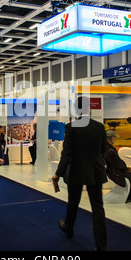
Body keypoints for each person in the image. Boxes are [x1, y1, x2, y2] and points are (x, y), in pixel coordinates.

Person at [52, 96, 108, 251]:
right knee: (98, 207)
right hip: (96, 171)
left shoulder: (71, 127)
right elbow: (104, 149)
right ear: (89, 108)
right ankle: (101, 245)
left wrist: (58, 173)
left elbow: (67, 153)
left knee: (73, 202)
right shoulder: (99, 127)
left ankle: (69, 228)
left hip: (76, 170)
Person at [103, 130, 131, 201]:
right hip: (117, 173)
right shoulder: (110, 150)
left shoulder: (105, 148)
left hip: (112, 171)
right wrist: (126, 167)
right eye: (114, 138)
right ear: (110, 138)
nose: (114, 140)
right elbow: (118, 163)